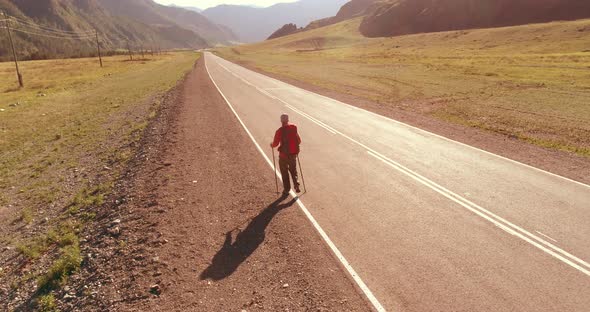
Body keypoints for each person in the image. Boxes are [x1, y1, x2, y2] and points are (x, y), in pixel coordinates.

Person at [270, 114, 302, 194]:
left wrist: (271, 145)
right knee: (293, 170)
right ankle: (296, 185)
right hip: (293, 154)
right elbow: (299, 140)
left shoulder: (279, 131)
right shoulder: (293, 128)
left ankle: (287, 189)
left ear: (281, 121)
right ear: (288, 120)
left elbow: (275, 144)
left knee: (284, 172)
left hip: (283, 155)